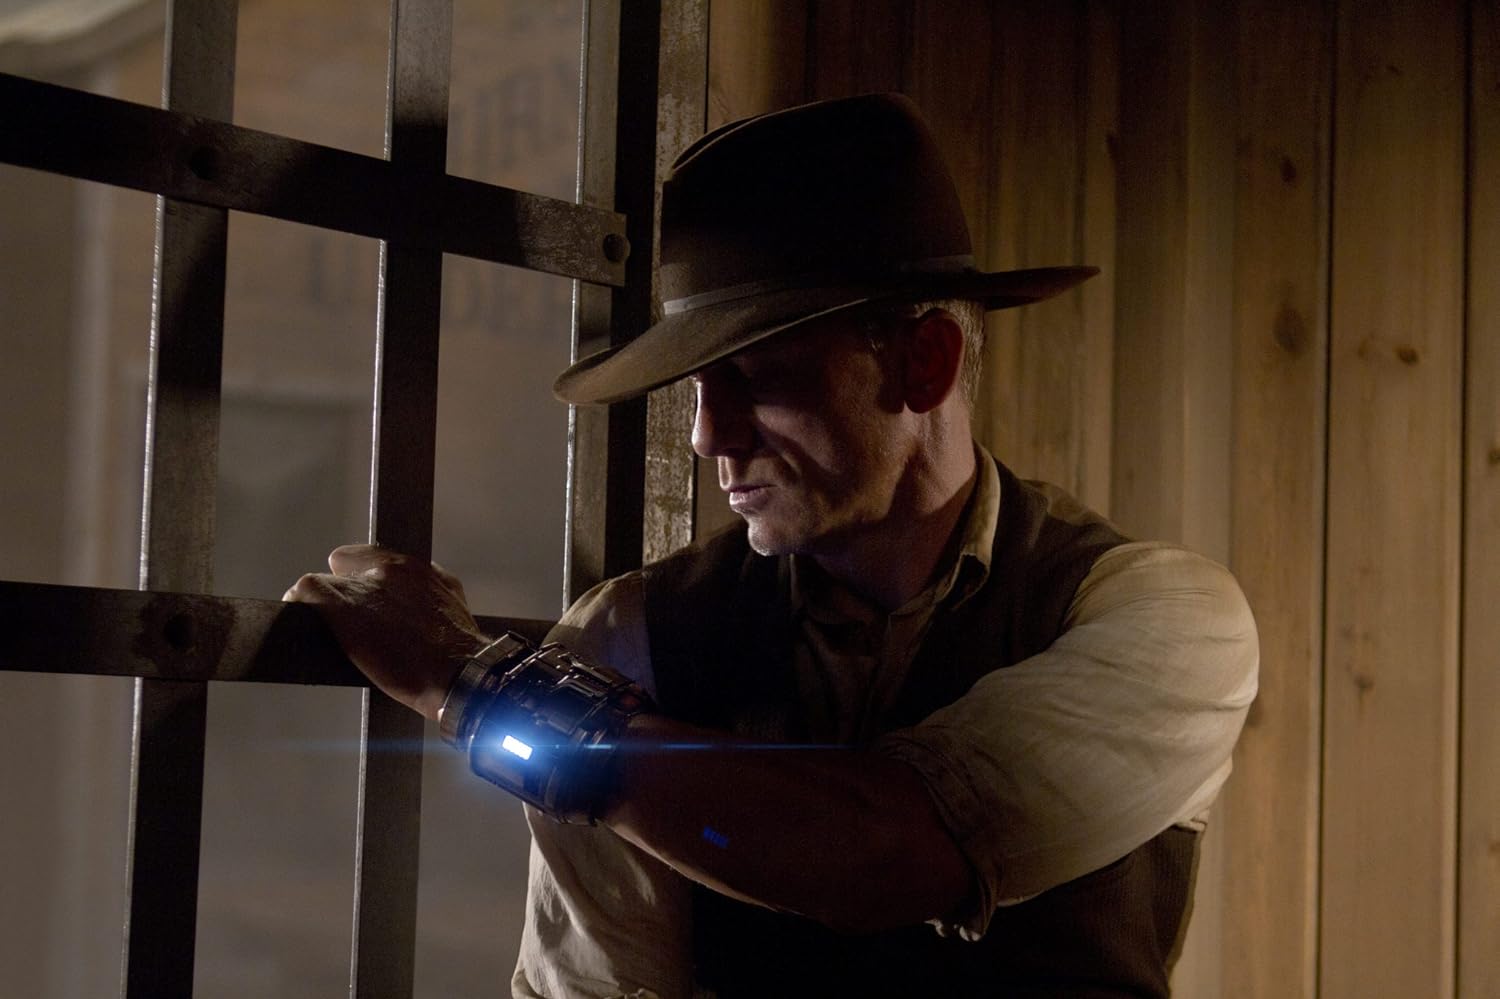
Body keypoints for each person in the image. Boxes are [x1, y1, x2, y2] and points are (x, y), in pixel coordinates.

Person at [285, 93, 1257, 998]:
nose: (708, 434)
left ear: (925, 363)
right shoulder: (632, 637)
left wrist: (476, 682)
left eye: (758, 376)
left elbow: (887, 852)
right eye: (697, 387)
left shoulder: (1161, 621)